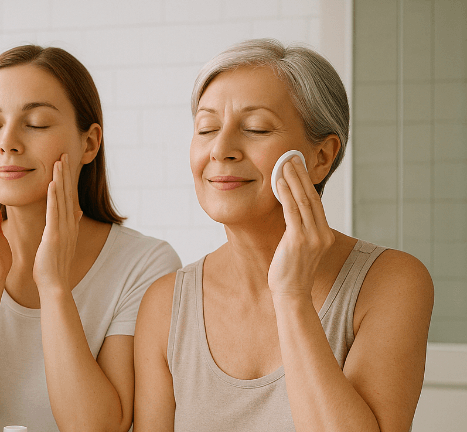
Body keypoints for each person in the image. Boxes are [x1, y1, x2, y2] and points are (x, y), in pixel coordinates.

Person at [133, 38, 434, 431]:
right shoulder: (164, 304)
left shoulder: (393, 282)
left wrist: (291, 297)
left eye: (256, 128)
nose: (220, 149)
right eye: (206, 128)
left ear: (321, 158)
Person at [0, 45, 182, 432]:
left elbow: (99, 428)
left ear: (89, 143)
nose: (7, 142)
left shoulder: (145, 265)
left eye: (35, 123)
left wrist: (54, 285)